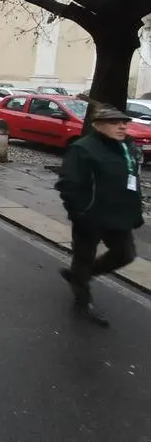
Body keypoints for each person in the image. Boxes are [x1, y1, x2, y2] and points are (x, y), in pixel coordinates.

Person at [55, 104, 142, 327]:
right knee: (83, 257)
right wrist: (79, 212)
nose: (122, 126)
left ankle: (79, 277)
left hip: (119, 215)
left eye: (124, 121)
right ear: (98, 125)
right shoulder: (83, 149)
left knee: (125, 254)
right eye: (115, 122)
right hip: (90, 216)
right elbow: (68, 184)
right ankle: (83, 301)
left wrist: (135, 211)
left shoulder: (127, 147)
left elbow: (133, 179)